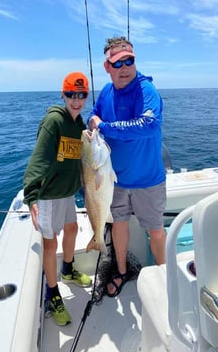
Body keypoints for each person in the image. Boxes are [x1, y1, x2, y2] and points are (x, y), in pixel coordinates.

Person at [88, 37, 166, 297]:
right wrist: (93, 123)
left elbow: (148, 125)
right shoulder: (107, 92)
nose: (124, 67)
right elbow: (93, 116)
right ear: (107, 66)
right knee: (118, 224)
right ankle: (121, 270)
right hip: (115, 180)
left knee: (155, 230)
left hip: (148, 180)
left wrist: (105, 127)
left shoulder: (146, 90)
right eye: (117, 63)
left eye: (129, 61)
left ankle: (165, 276)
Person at [23, 72, 92, 326]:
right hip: (48, 194)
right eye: (71, 95)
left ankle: (68, 269)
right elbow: (38, 159)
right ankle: (52, 293)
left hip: (67, 192)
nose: (76, 100)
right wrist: (31, 197)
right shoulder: (54, 121)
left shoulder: (79, 123)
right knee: (51, 246)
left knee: (72, 229)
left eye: (82, 95)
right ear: (62, 95)